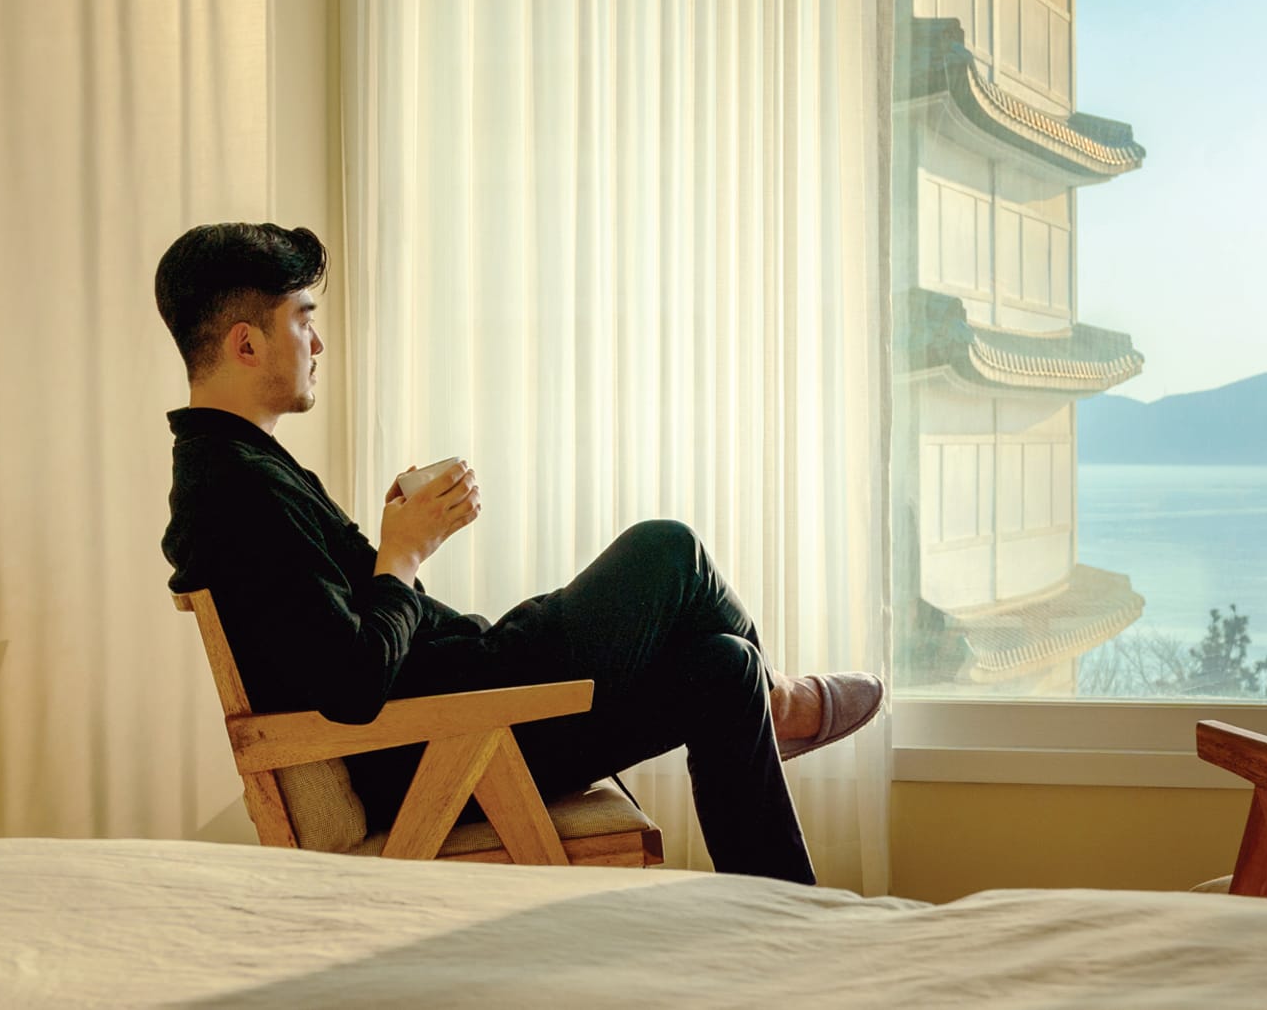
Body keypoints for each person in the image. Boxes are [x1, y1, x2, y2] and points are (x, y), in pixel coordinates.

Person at [155, 222, 883, 884]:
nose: (317, 344)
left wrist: (396, 538)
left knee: (725, 667)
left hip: (468, 704)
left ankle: (780, 923)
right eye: (302, 321)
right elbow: (352, 682)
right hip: (455, 739)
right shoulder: (234, 490)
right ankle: (783, 703)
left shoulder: (241, 469)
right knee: (668, 549)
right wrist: (404, 555)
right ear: (246, 343)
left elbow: (333, 628)